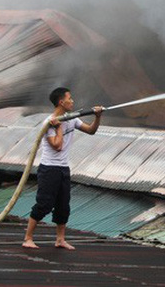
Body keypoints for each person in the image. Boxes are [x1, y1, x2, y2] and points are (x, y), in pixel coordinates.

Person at [22, 87, 104, 250]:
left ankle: (60, 239)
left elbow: (91, 131)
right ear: (61, 102)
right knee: (44, 204)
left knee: (63, 205)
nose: (72, 101)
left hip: (63, 168)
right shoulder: (50, 122)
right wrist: (58, 127)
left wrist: (98, 117)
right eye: (70, 98)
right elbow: (57, 146)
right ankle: (27, 238)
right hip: (49, 169)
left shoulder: (72, 119)